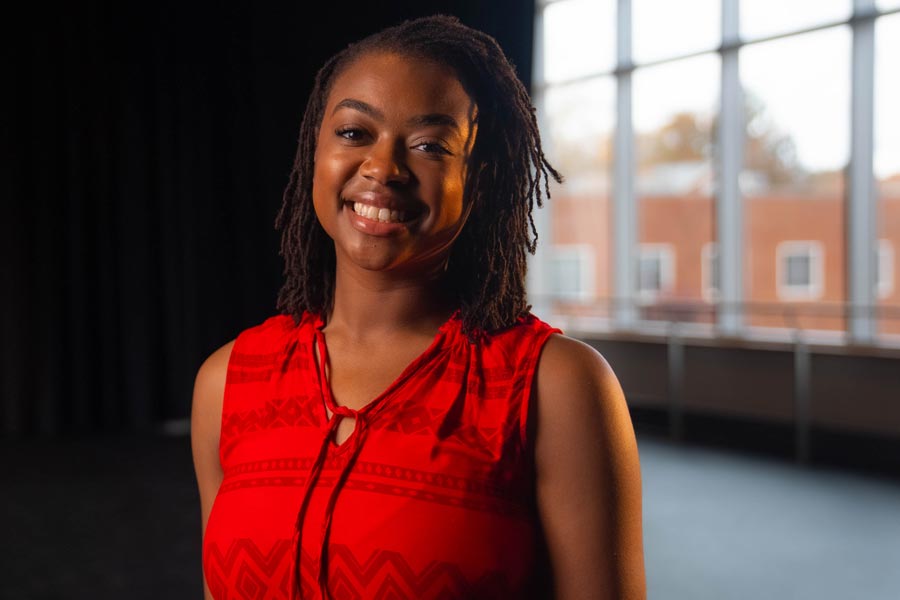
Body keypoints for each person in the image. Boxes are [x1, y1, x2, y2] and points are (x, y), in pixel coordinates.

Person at [191, 14, 645, 600]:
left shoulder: (556, 387)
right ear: (315, 153)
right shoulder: (227, 380)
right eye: (355, 133)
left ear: (477, 180)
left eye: (430, 145)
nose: (384, 169)